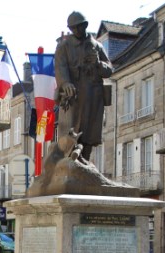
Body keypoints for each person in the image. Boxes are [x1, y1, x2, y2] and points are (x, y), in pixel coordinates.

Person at [54, 11, 113, 164]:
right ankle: (72, 158)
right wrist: (65, 83)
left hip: (93, 94)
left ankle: (83, 160)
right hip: (73, 95)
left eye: (79, 27)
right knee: (72, 129)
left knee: (90, 132)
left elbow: (109, 70)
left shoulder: (97, 46)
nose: (76, 30)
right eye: (73, 28)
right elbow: (60, 68)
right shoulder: (64, 47)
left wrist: (98, 63)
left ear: (85, 25)